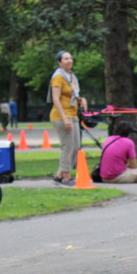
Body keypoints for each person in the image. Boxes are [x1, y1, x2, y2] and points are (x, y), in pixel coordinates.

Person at [49, 51, 88, 185]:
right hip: (61, 116)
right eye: (65, 59)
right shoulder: (58, 77)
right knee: (68, 146)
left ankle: (59, 175)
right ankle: (66, 177)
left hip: (73, 114)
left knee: (76, 146)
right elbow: (56, 99)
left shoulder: (71, 76)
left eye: (70, 58)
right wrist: (65, 119)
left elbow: (72, 95)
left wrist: (81, 99)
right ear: (59, 62)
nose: (69, 61)